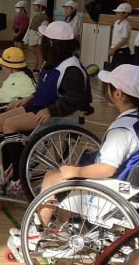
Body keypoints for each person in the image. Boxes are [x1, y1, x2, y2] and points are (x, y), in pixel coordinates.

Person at [13, 64, 139, 250]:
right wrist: (99, 152)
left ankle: (38, 231)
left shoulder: (121, 129)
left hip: (114, 189)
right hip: (129, 185)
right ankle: (64, 227)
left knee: (53, 177)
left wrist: (75, 171)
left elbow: (107, 168)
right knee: (66, 175)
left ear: (118, 94)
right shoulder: (134, 122)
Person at [0, 21, 90, 191]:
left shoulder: (71, 68)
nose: (41, 41)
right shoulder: (53, 61)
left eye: (43, 38)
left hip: (57, 113)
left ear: (51, 42)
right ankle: (10, 166)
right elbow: (46, 88)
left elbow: (75, 99)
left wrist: (51, 110)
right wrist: (29, 97)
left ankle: (19, 173)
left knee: (9, 125)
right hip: (39, 105)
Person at [24, 0, 50, 73]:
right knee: (35, 53)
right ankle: (35, 67)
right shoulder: (35, 16)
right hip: (33, 37)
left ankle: (39, 68)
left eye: (36, 5)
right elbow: (30, 27)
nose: (34, 7)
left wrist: (40, 41)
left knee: (40, 54)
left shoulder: (44, 17)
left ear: (41, 6)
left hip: (38, 38)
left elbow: (43, 30)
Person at [109, 2, 133, 69]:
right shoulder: (117, 23)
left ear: (125, 14)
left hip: (122, 51)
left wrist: (114, 49)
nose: (116, 14)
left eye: (119, 12)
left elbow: (124, 40)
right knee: (113, 69)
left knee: (118, 70)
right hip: (116, 49)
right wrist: (111, 47)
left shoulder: (125, 24)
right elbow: (115, 38)